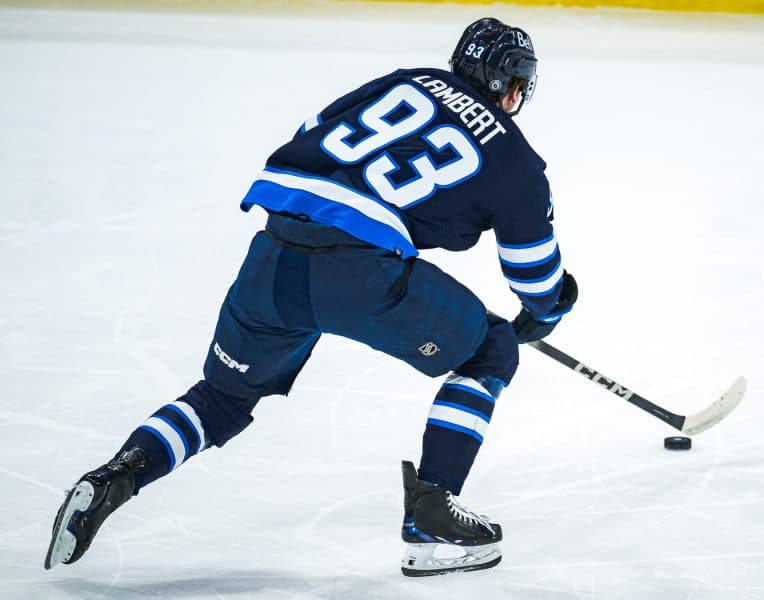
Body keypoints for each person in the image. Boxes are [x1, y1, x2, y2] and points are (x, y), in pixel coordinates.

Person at [44, 17, 577, 577]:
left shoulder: (406, 81)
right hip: (359, 276)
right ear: (515, 85)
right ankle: (431, 515)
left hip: (276, 252)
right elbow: (535, 274)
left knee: (222, 399)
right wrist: (547, 310)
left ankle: (117, 474)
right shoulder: (516, 159)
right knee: (489, 348)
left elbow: (312, 130)